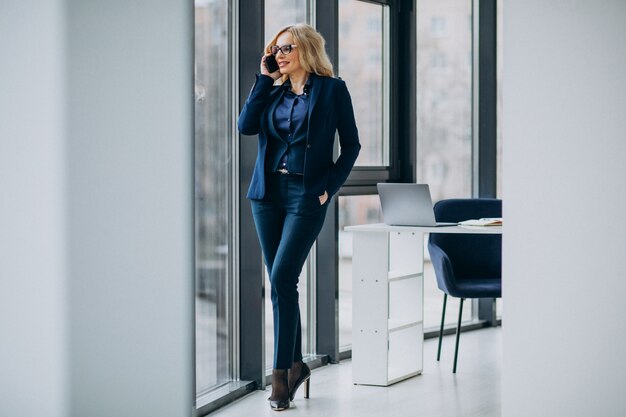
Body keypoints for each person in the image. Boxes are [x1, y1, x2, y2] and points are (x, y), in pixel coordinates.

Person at [237, 23, 360, 411]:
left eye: (286, 47)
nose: (280, 54)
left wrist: (329, 187)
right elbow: (244, 127)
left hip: (306, 196)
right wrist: (263, 80)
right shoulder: (271, 93)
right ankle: (296, 366)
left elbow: (352, 145)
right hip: (267, 196)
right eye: (275, 49)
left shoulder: (332, 90)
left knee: (281, 278)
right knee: (281, 285)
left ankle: (279, 379)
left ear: (306, 49)